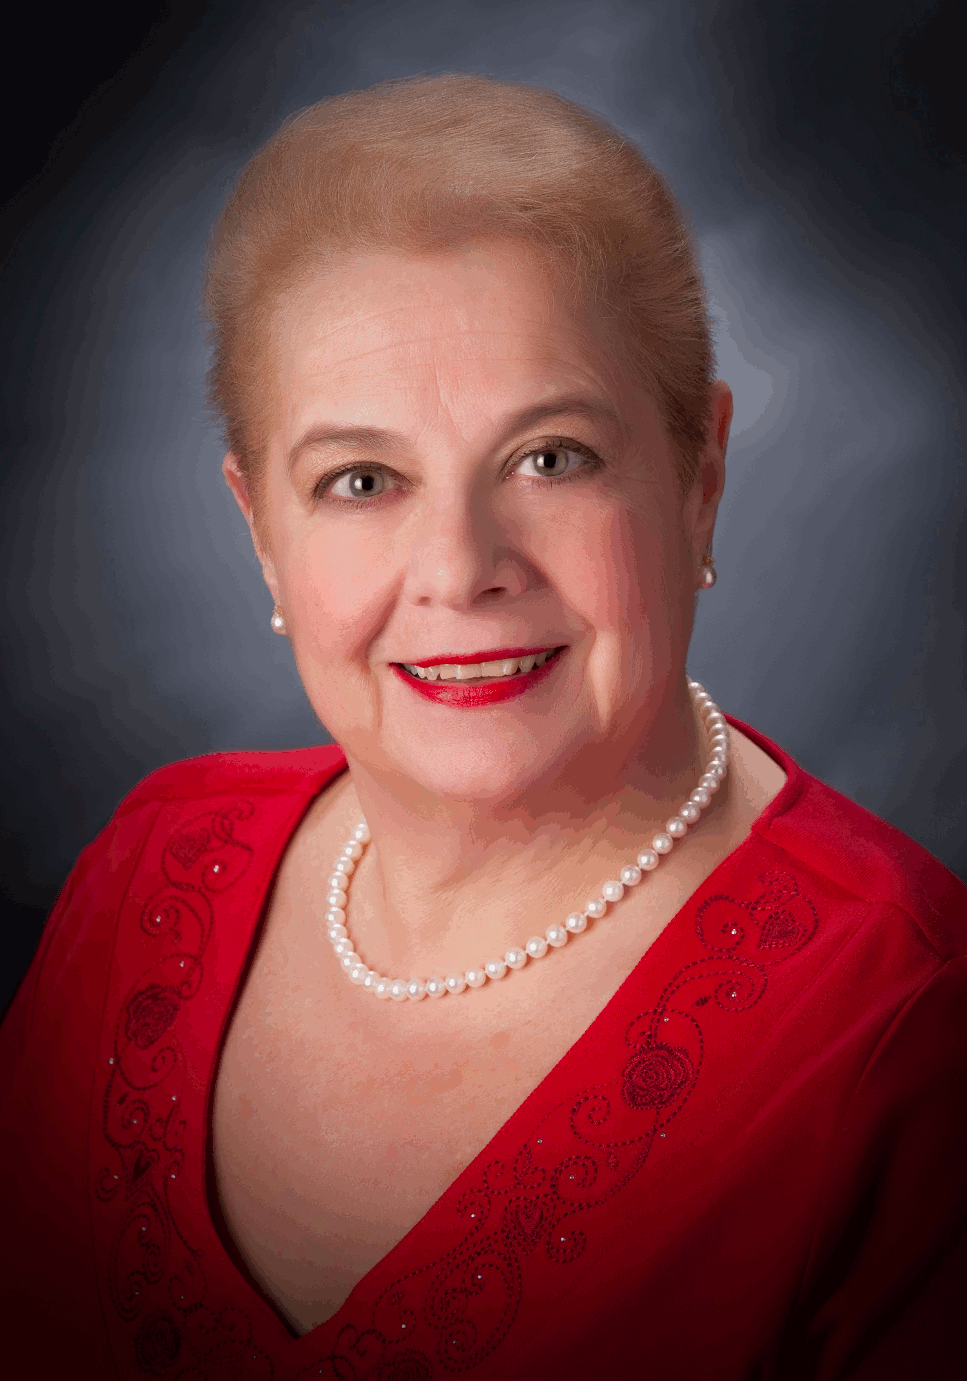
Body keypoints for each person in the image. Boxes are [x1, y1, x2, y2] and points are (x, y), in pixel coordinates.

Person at [1, 74, 965, 1381]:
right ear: (260, 532)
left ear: (701, 478)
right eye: (360, 480)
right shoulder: (149, 869)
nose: (459, 571)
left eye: (550, 458)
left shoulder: (907, 1025)